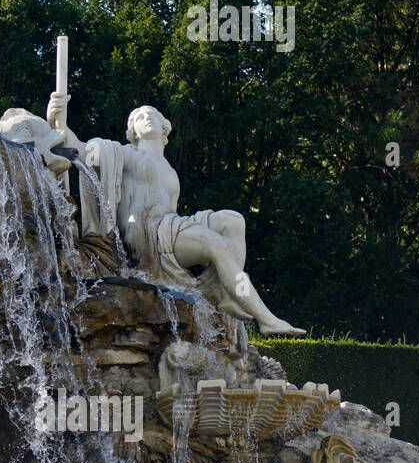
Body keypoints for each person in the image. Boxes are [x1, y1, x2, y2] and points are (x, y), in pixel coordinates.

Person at [47, 95, 304, 336]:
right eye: (139, 117)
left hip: (172, 224)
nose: (147, 118)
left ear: (164, 126)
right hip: (149, 234)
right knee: (215, 243)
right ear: (133, 131)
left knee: (233, 220)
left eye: (152, 115)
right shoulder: (125, 154)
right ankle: (265, 318)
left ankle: (226, 295)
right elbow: (79, 150)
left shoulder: (169, 168)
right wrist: (58, 122)